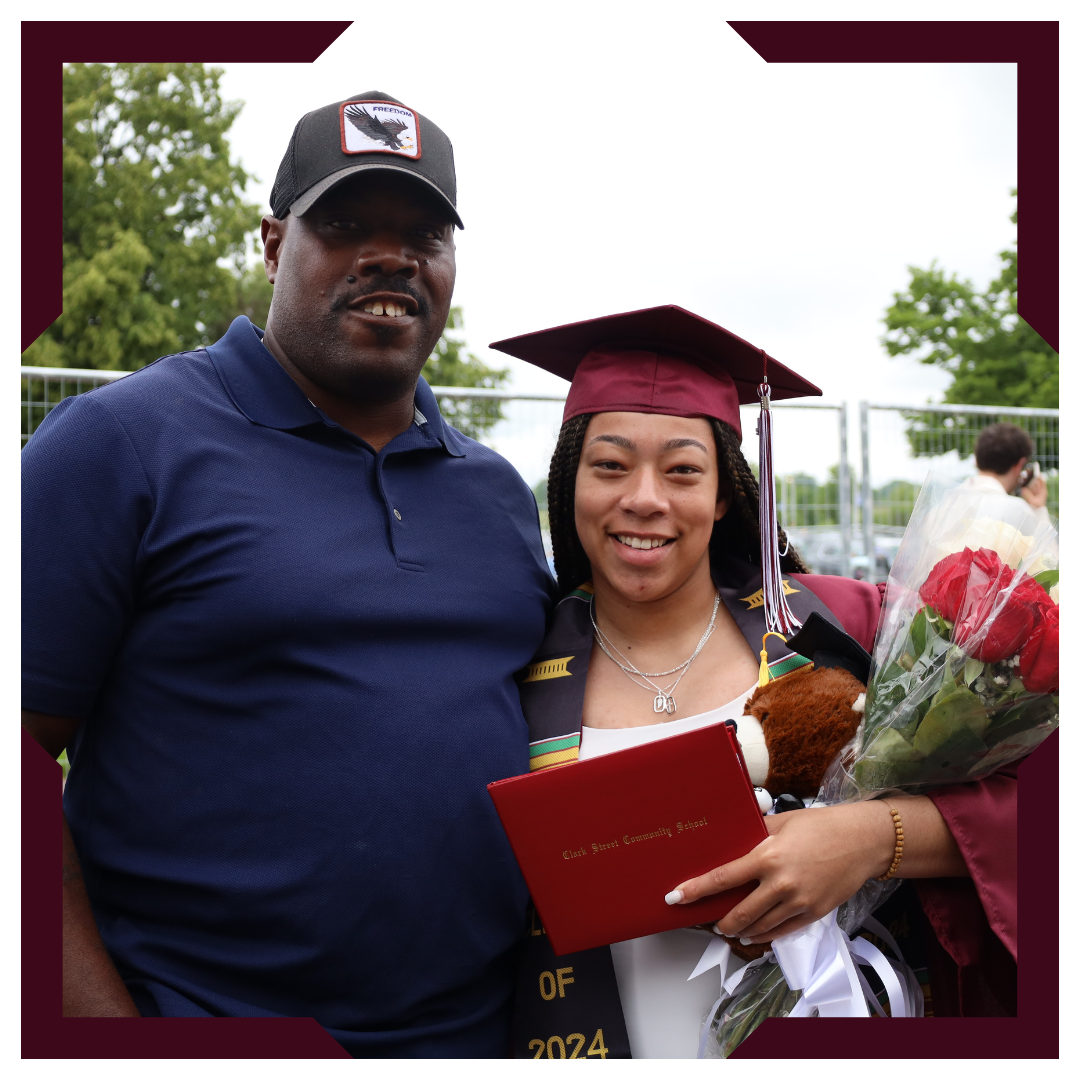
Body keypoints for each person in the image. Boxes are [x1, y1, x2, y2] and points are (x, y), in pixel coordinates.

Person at [21, 92, 553, 1057]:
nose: (390, 256)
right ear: (274, 244)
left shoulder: (497, 493)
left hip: (479, 1032)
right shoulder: (123, 444)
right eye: (347, 224)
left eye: (424, 232)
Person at [491, 307, 1018, 1057]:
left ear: (727, 492)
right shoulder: (510, 666)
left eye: (682, 469)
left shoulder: (844, 630)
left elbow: (1020, 805)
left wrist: (873, 840)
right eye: (609, 464)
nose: (644, 497)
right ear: (568, 481)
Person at [964, 422, 1051, 523]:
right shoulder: (1016, 510)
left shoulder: (951, 500)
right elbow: (1044, 538)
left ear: (977, 460)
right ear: (1020, 464)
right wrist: (1039, 510)